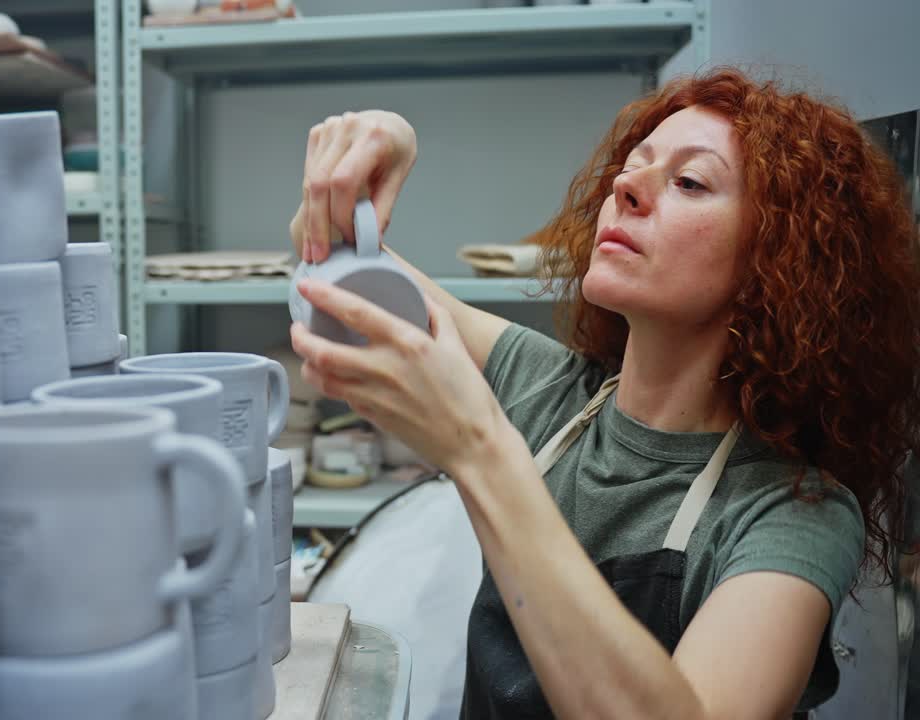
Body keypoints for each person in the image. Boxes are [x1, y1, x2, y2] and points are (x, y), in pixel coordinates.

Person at [286, 68, 920, 719]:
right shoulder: (553, 395)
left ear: (782, 263)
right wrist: (374, 145)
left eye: (689, 181)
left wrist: (479, 450)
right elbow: (338, 276)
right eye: (633, 166)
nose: (625, 186)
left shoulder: (794, 515)